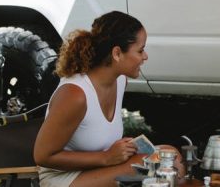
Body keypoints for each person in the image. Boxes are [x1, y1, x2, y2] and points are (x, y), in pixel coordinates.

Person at [34, 11, 180, 187]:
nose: (145, 56)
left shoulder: (120, 81)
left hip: (98, 168)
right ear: (117, 53)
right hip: (64, 178)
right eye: (140, 50)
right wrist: (105, 157)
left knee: (169, 154)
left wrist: (121, 150)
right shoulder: (75, 94)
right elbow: (43, 156)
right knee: (156, 167)